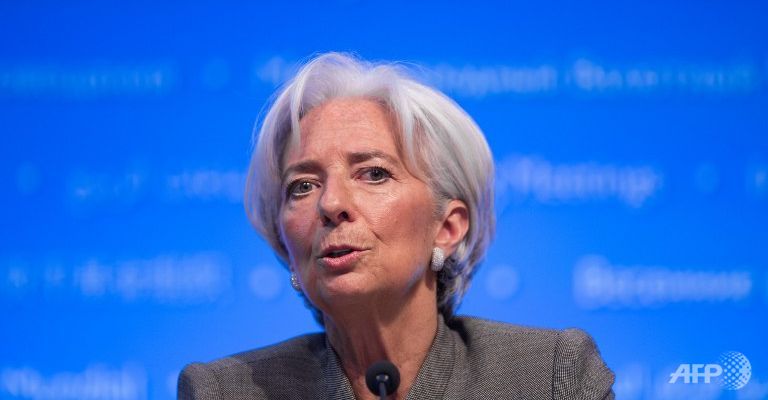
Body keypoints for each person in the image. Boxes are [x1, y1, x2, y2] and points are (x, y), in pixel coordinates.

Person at [178, 52, 615, 400]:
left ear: (447, 228)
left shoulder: (549, 377)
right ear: (285, 244)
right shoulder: (226, 391)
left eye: (373, 174)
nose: (330, 204)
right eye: (303, 185)